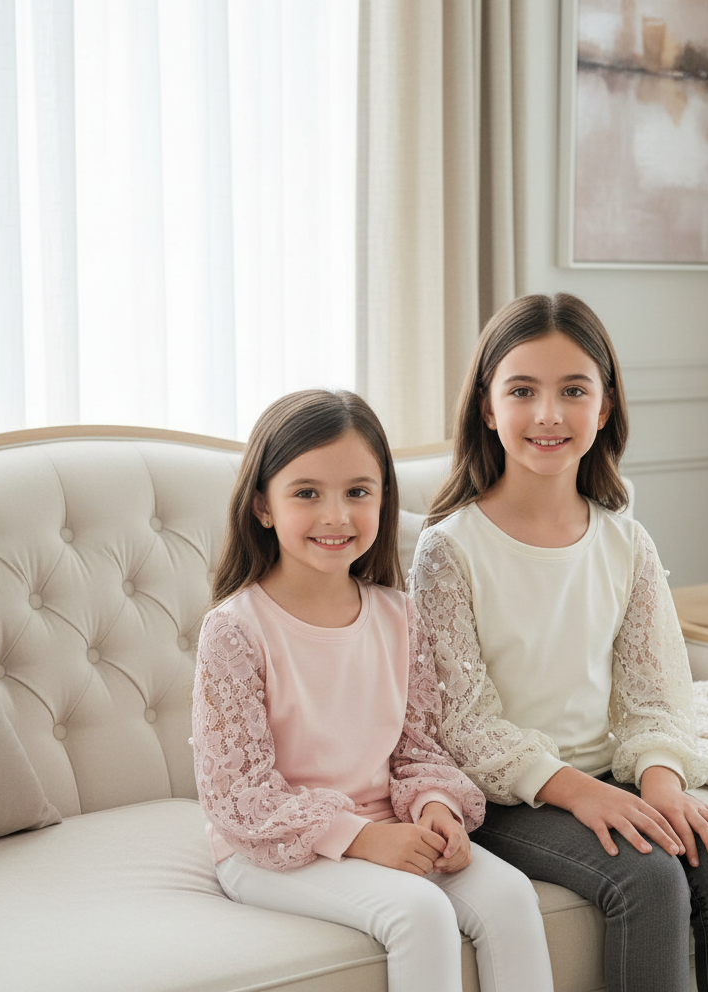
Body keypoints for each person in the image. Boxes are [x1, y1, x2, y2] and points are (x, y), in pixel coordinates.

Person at [409, 294, 708, 992]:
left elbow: (655, 695)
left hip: (605, 774)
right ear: (488, 408)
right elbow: (463, 725)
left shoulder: (626, 543)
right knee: (648, 876)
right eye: (523, 391)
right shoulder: (448, 550)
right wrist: (580, 794)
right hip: (503, 798)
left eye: (573, 391)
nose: (548, 413)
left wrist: (662, 786)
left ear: (604, 408)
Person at [191, 389, 555, 992]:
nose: (336, 515)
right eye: (307, 493)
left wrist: (436, 809)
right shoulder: (235, 629)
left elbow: (418, 749)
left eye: (358, 492)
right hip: (269, 848)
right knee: (421, 912)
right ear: (262, 506)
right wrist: (362, 838)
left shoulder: (400, 616)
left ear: (384, 499)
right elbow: (240, 796)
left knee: (512, 896)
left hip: (390, 822)